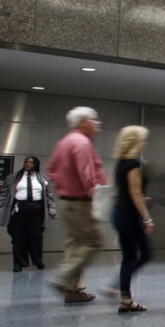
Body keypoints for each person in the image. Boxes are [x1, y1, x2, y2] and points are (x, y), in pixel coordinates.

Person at [46, 107, 106, 304]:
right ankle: (62, 276)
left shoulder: (64, 141)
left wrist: (64, 186)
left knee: (73, 245)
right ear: (83, 122)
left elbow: (51, 171)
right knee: (93, 241)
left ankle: (73, 291)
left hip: (65, 200)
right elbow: (87, 174)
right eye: (94, 120)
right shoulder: (82, 142)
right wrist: (97, 198)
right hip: (80, 202)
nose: (98, 123)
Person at [109, 126, 153, 313]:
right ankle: (115, 285)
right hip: (129, 215)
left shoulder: (120, 162)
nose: (146, 143)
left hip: (118, 212)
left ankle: (125, 300)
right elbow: (135, 192)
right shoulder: (133, 164)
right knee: (146, 253)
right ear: (136, 141)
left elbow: (127, 192)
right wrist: (147, 218)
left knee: (128, 256)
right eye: (144, 139)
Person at [0, 156, 57, 272]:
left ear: (36, 164)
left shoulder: (43, 178)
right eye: (26, 162)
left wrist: (52, 209)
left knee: (36, 236)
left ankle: (38, 261)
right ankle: (19, 263)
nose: (28, 164)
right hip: (19, 209)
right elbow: (4, 193)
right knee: (18, 237)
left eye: (31, 162)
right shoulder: (13, 177)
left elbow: (48, 196)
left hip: (37, 210)